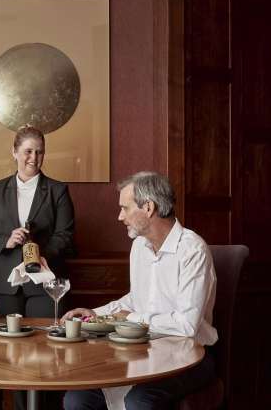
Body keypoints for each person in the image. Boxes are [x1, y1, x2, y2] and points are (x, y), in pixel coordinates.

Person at [61, 171, 217, 410]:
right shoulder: (139, 247)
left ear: (148, 207)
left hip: (190, 356)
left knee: (138, 402)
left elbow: (187, 325)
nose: (120, 216)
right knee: (76, 399)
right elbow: (136, 300)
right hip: (142, 352)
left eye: (125, 208)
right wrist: (96, 314)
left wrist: (132, 318)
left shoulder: (192, 250)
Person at [0, 125, 76, 318]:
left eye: (39, 152)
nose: (34, 158)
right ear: (14, 152)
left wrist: (42, 254)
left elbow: (65, 235)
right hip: (3, 284)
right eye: (28, 151)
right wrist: (6, 241)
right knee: (4, 338)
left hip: (45, 283)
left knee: (45, 337)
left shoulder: (58, 190)